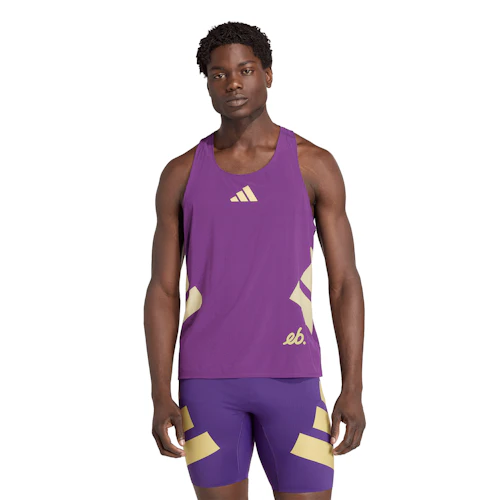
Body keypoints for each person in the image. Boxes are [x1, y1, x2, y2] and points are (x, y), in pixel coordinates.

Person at [144, 21, 366, 500]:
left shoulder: (313, 164)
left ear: (268, 74)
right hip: (207, 387)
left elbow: (344, 281)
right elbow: (162, 289)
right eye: (219, 74)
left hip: (293, 381)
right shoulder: (181, 173)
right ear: (207, 83)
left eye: (245, 70)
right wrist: (160, 391)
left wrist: (354, 386)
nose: (233, 83)